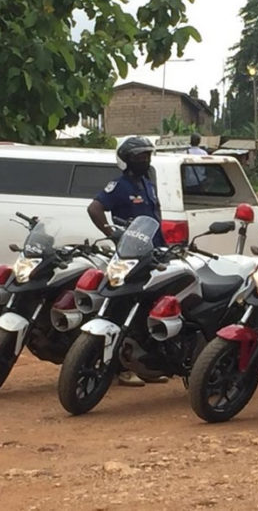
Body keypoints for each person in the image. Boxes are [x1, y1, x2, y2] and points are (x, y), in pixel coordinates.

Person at [87, 136, 166, 387]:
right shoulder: (119, 185)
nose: (146, 160)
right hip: (130, 257)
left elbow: (155, 213)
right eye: (140, 156)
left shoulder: (147, 183)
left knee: (148, 309)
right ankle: (119, 368)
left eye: (147, 155)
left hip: (153, 254)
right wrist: (113, 234)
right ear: (127, 160)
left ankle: (144, 365)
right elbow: (94, 209)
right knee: (123, 310)